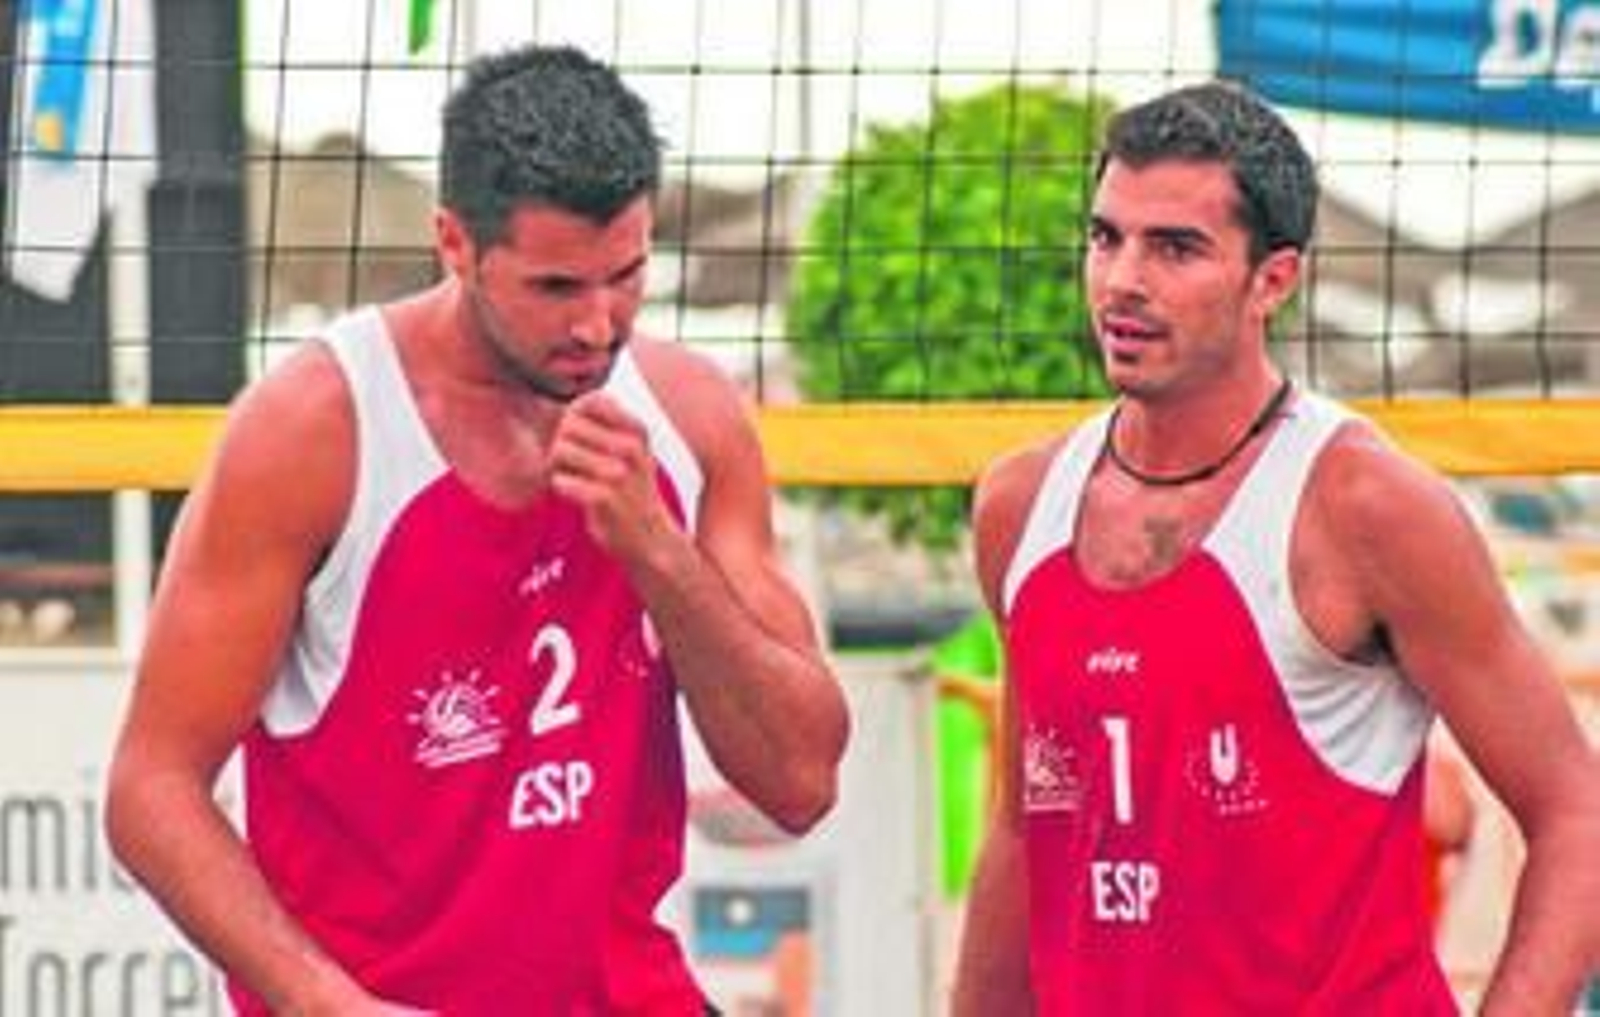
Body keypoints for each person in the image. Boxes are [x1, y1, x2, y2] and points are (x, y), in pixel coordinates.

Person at [105, 44, 849, 1015]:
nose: (597, 324)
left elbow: (800, 779)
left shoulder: (686, 413)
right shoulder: (315, 428)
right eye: (554, 288)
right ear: (454, 243)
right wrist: (330, 1004)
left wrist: (656, 552)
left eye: (624, 275)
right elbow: (150, 790)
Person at [950, 80, 1600, 1014]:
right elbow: (1025, 831)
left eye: (1175, 247)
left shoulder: (1365, 506)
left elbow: (1576, 809)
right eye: (1106, 236)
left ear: (1274, 278)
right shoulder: (1020, 505)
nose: (1123, 278)